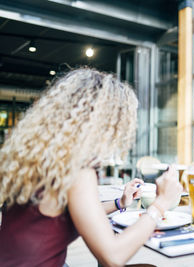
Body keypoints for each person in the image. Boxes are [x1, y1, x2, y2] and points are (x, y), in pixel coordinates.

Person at [0, 68, 182, 267]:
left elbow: (74, 213)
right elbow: (113, 256)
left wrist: (120, 203)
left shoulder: (43, 157)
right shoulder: (77, 170)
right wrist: (161, 203)